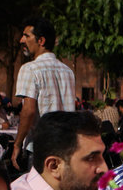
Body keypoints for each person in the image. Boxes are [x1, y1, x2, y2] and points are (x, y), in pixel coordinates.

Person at [12, 16, 76, 170]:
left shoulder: (30, 69)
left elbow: (29, 111)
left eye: (27, 36)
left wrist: (17, 144)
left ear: (41, 41)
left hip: (41, 148)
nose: (22, 40)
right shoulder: (67, 71)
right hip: (65, 147)